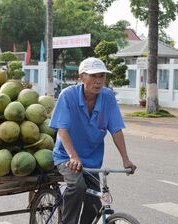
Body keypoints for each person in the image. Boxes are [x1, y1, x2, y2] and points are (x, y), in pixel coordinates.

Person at [49, 57, 137, 224]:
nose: (98, 81)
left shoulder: (108, 97)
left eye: (101, 76)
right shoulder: (68, 96)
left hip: (92, 161)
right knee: (77, 187)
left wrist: (126, 159)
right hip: (67, 157)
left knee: (94, 202)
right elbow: (62, 129)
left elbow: (116, 130)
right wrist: (73, 156)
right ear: (81, 77)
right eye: (93, 76)